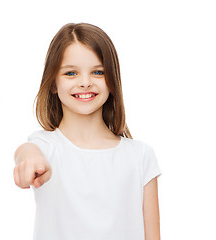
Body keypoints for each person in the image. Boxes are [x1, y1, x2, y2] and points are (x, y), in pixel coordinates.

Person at [13, 22, 162, 240]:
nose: (85, 82)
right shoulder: (44, 148)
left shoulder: (140, 156)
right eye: (71, 73)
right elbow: (26, 152)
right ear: (53, 83)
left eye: (98, 72)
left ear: (112, 80)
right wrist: (28, 159)